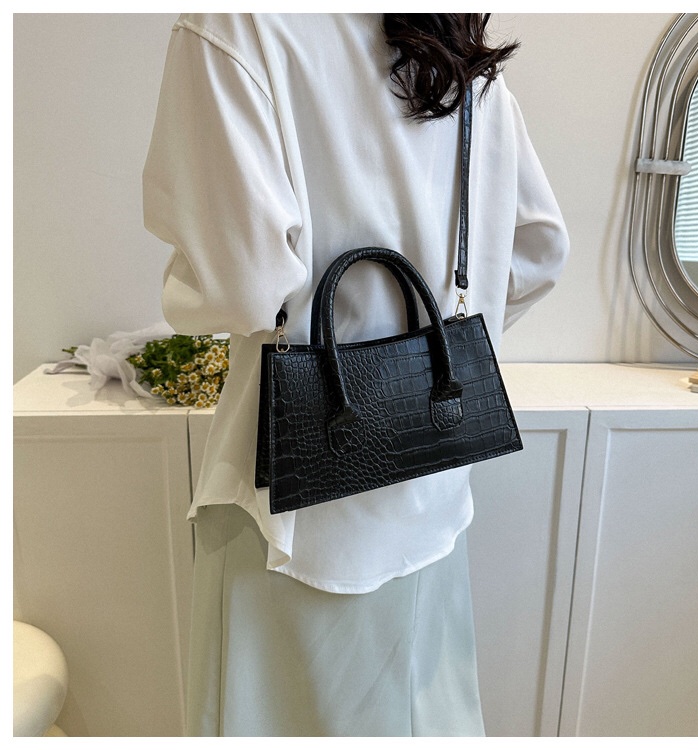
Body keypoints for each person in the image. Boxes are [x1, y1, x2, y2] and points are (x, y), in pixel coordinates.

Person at [143, 13, 568, 737]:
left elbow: (242, 287)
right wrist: (422, 344)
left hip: (298, 515)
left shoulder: (238, 24)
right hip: (433, 491)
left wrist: (186, 289)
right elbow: (539, 251)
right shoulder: (453, 50)